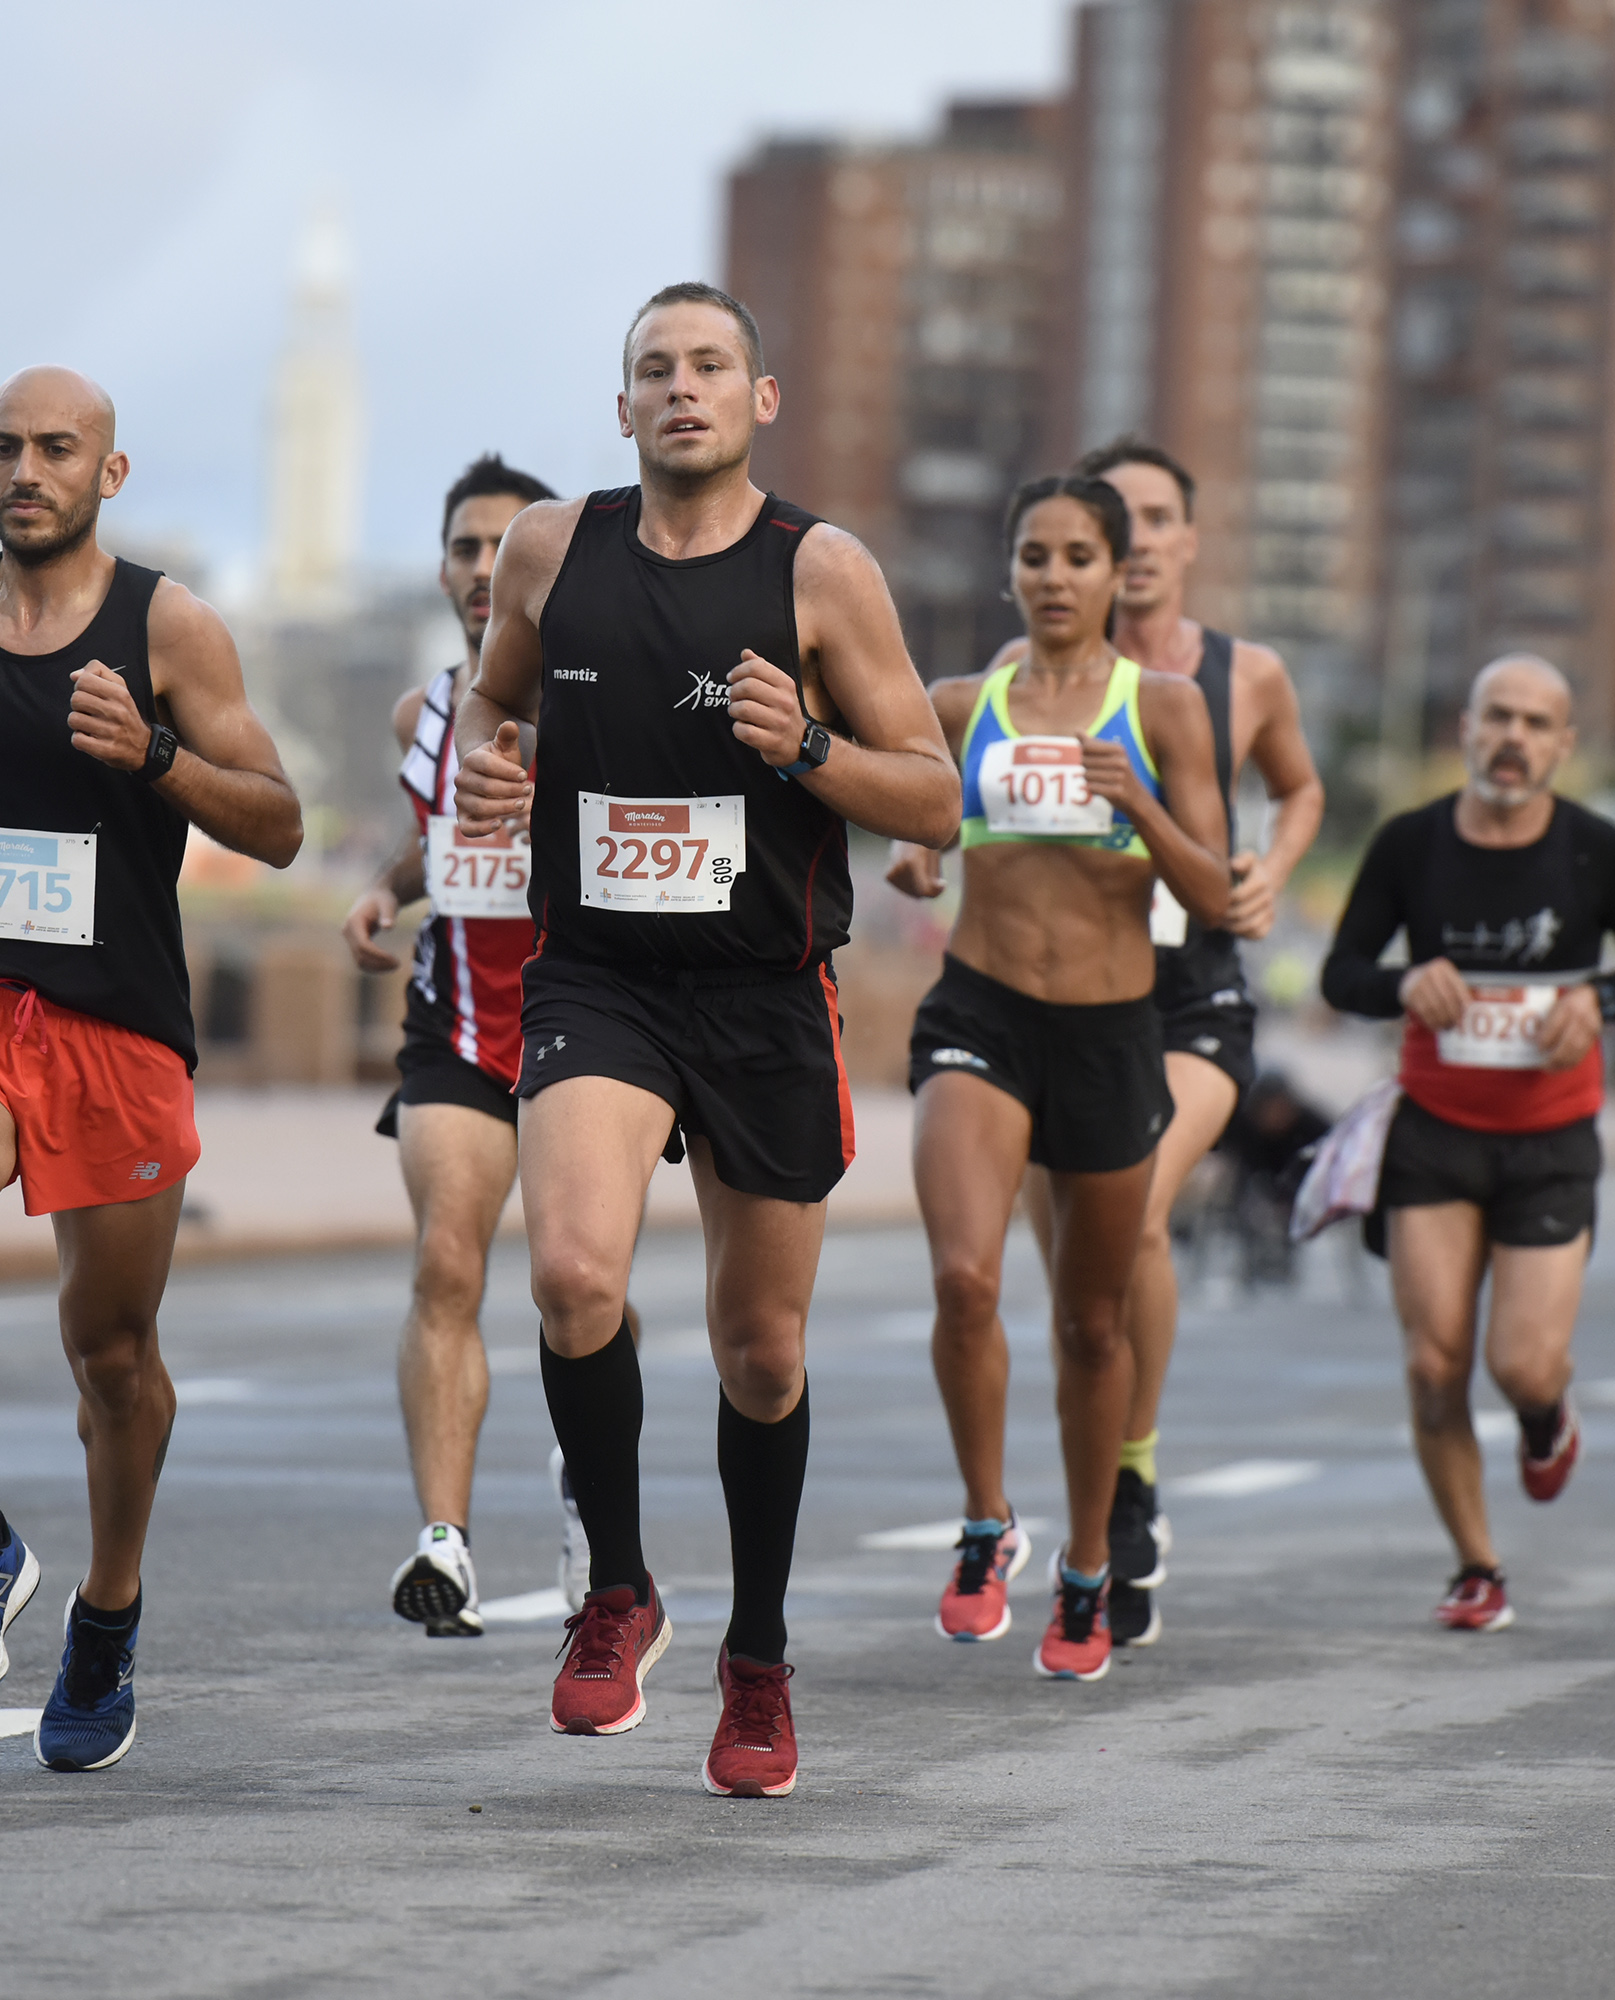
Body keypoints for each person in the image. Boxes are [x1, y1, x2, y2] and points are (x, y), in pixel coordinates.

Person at [452, 284, 960, 1797]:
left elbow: (934, 796)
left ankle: (759, 1656)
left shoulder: (824, 573)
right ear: (620, 410)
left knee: (760, 1350)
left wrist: (807, 747)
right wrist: (499, 767)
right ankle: (617, 1586)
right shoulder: (551, 550)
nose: (682, 390)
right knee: (570, 1274)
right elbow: (497, 709)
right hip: (598, 975)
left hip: (761, 991)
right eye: (653, 371)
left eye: (710, 367)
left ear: (762, 400)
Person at [0, 367, 304, 1770]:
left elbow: (280, 822)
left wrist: (155, 751)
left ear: (110, 474)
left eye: (56, 449)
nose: (23, 469)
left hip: (115, 1019)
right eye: (2, 447)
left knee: (113, 1355)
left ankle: (106, 1610)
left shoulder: (171, 626)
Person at [884, 473, 1230, 1680]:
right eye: (1034, 554)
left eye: (1078, 555)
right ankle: (987, 1525)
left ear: (1115, 570)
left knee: (1092, 1323)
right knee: (965, 1278)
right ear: (1010, 571)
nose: (1055, 576)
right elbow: (920, 818)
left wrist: (1141, 802)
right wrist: (917, 854)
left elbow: (1218, 891)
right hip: (980, 1013)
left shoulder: (1167, 710)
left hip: (1113, 1028)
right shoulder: (960, 700)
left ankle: (1087, 1565)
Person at [996, 434, 1326, 1647]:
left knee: (1133, 1210)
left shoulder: (1243, 676)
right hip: (1058, 1003)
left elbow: (1299, 788)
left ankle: (1131, 1473)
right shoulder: (1017, 675)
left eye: (1149, 521)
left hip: (1190, 1000)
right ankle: (1098, 1500)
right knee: (1079, 1281)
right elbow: (954, 796)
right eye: (1102, 524)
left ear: (1185, 542)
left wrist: (1269, 870)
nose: (1126, 547)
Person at [1319, 658, 1615, 1632]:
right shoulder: (1411, 843)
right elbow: (1341, 971)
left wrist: (1594, 999)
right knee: (1435, 1362)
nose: (1514, 737)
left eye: (1537, 722)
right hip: (1434, 1135)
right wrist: (1402, 982)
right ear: (1467, 728)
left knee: (1521, 1362)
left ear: (1565, 744)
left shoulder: (1595, 850)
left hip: (1550, 1138)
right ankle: (1477, 1563)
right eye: (1498, 718)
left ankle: (1543, 1414)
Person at [343, 453, 618, 1636]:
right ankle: (443, 1543)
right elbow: (439, 842)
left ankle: (593, 1495)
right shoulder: (425, 714)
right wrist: (387, 889)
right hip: (455, 1026)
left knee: (580, 1287)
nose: (479, 569)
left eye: (504, 548)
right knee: (446, 1264)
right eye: (463, 547)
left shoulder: (605, 699)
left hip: (589, 1023)